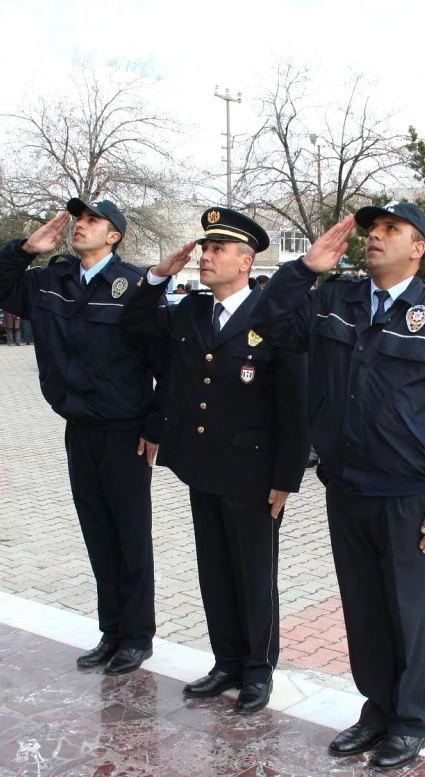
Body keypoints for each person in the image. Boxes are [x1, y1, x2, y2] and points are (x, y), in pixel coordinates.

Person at [248, 203, 425, 772]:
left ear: (418, 247)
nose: (375, 237)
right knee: (363, 608)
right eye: (372, 230)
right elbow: (269, 323)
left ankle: (410, 721)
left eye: (390, 230)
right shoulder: (337, 301)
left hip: (409, 492)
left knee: (407, 609)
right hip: (348, 485)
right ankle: (377, 709)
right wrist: (305, 270)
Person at [122, 207, 309, 714]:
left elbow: (295, 405)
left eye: (217, 250)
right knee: (214, 569)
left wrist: (286, 477)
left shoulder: (271, 317)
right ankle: (226, 660)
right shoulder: (190, 311)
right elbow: (135, 320)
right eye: (205, 248)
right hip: (201, 465)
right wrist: (158, 275)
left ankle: (257, 668)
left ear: (245, 262)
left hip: (253, 473)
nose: (205, 256)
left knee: (253, 573)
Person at [0, 198, 165, 676]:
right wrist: (24, 250)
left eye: (92, 221)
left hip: (126, 432)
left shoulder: (133, 286)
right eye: (78, 220)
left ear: (114, 235)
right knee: (98, 533)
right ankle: (112, 630)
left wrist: (154, 426)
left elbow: (164, 363)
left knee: (130, 537)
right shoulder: (50, 280)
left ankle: (138, 636)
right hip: (79, 427)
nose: (80, 226)